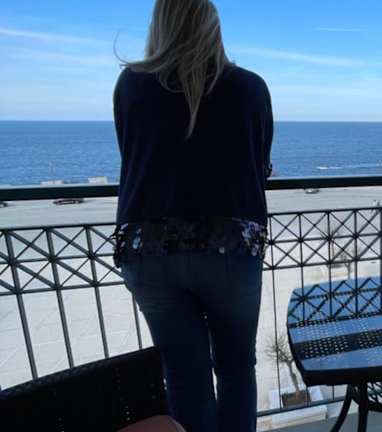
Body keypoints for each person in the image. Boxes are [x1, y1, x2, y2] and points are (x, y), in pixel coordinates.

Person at [112, 1, 273, 431]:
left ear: (160, 27)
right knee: (236, 366)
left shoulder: (130, 85)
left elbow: (132, 155)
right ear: (213, 29)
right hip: (230, 246)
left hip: (148, 249)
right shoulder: (250, 87)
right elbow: (259, 164)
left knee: (184, 372)